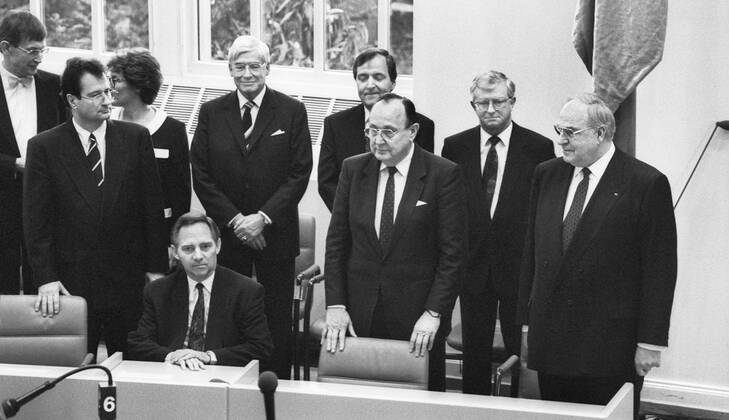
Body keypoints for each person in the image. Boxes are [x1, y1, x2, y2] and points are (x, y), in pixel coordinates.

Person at [517, 93, 677, 417]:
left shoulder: (645, 183)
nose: (560, 140)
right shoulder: (546, 175)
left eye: (570, 132)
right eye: (558, 129)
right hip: (552, 341)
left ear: (601, 133)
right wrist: (524, 324)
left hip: (610, 346)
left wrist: (651, 341)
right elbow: (531, 255)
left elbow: (660, 270)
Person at [23, 57, 168, 358]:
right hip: (70, 283)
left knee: (132, 369)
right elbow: (37, 221)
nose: (107, 100)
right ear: (72, 100)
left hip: (127, 282)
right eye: (96, 94)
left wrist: (156, 271)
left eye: (108, 91)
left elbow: (151, 210)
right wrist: (45, 278)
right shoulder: (44, 147)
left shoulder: (135, 138)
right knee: (77, 371)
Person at [322, 93, 467, 391]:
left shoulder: (442, 174)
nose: (377, 140)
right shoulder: (353, 169)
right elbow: (336, 243)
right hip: (360, 310)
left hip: (418, 316)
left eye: (388, 131)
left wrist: (434, 312)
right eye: (371, 130)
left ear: (412, 132)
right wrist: (335, 304)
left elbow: (452, 254)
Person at [190, 35, 312, 379]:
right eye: (239, 66)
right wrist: (236, 222)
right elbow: (201, 174)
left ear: (267, 69)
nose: (247, 73)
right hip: (228, 238)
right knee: (229, 315)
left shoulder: (292, 110)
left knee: (274, 318)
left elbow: (299, 172)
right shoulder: (212, 112)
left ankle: (279, 387)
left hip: (276, 235)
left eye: (254, 66)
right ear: (229, 69)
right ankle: (230, 381)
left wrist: (262, 219)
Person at [441, 71, 554, 395]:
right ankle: (473, 410)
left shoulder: (538, 147)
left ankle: (519, 411)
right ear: (473, 105)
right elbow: (449, 208)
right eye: (482, 103)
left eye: (498, 102)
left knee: (519, 351)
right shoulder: (455, 146)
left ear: (512, 102)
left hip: (518, 269)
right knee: (474, 350)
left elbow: (544, 212)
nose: (491, 109)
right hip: (472, 267)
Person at [127, 212, 273, 369]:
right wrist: (173, 356)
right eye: (188, 249)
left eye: (205, 246)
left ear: (218, 245)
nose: (198, 256)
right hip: (172, 373)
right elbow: (138, 343)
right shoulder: (157, 291)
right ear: (175, 252)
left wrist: (208, 356)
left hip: (221, 375)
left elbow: (261, 347)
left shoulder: (246, 291)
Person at [317, 48, 435, 211]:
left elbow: (424, 183)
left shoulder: (421, 126)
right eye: (363, 78)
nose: (370, 85)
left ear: (393, 82)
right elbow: (326, 183)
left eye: (378, 77)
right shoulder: (336, 125)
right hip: (351, 227)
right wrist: (354, 218)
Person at [0, 10, 65, 294]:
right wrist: (13, 163)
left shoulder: (54, 85)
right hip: (2, 195)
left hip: (45, 197)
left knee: (45, 272)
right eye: (32, 50)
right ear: (5, 48)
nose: (39, 58)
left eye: (43, 50)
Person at [108, 49, 190, 234]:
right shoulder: (104, 123)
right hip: (113, 230)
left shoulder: (173, 130)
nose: (109, 87)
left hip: (157, 230)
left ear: (138, 85)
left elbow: (180, 194)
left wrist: (175, 241)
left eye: (116, 80)